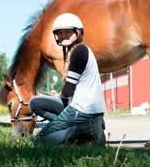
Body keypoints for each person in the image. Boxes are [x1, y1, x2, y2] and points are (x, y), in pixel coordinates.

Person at [32, 13, 106, 145]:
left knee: (39, 142)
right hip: (88, 109)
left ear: (78, 32)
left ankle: (75, 130)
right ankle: (83, 128)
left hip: (81, 110)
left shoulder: (79, 51)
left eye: (68, 31)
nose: (63, 35)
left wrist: (60, 96)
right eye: (60, 32)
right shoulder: (81, 50)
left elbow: (68, 91)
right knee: (35, 103)